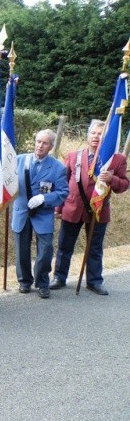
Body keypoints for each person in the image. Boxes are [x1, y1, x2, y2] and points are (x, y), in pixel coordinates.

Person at [52, 119, 129, 294]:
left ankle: (94, 281)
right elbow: (63, 184)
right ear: (88, 136)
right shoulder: (73, 156)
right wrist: (58, 208)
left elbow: (124, 184)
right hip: (72, 208)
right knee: (64, 246)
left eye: (100, 134)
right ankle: (59, 277)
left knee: (94, 248)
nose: (96, 137)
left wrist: (112, 179)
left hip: (99, 210)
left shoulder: (117, 160)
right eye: (93, 133)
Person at [12, 129, 69, 298]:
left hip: (43, 214)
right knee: (21, 250)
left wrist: (44, 198)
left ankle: (42, 282)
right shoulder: (19, 160)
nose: (40, 146)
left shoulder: (58, 167)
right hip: (21, 212)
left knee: (45, 251)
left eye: (44, 143)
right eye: (38, 141)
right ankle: (24, 281)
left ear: (51, 146)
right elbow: (7, 181)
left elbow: (63, 193)